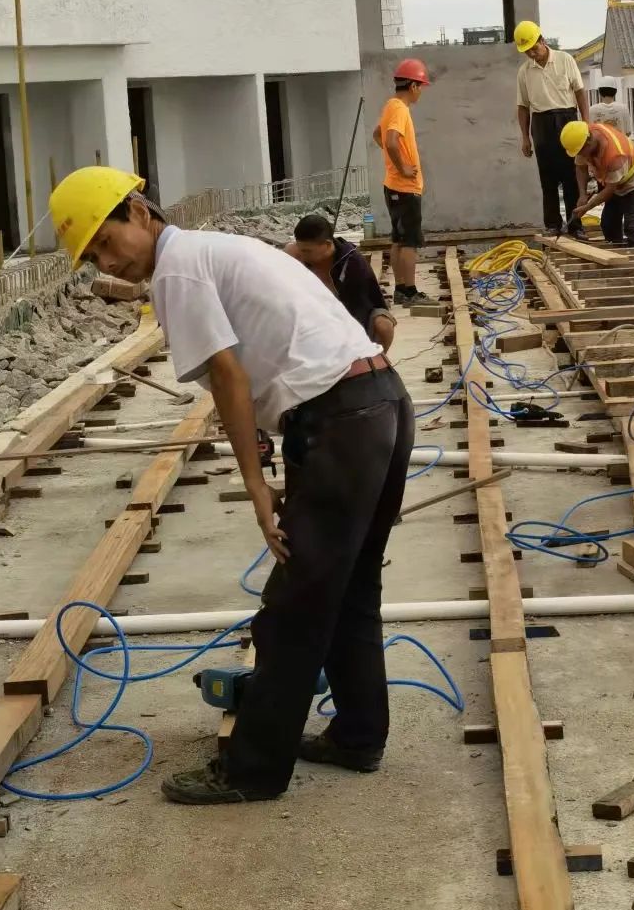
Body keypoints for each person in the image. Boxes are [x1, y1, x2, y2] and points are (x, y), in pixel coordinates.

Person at [49, 166, 414, 804]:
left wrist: (256, 487)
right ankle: (358, 736)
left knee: (293, 609)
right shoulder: (214, 250)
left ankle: (251, 772)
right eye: (94, 258)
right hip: (380, 402)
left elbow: (229, 377)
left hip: (342, 419)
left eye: (107, 242)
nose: (109, 262)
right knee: (351, 588)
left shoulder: (178, 267)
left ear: (139, 211)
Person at [514, 20, 589, 237]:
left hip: (567, 119)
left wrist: (585, 122)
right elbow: (522, 106)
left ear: (542, 41)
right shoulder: (524, 71)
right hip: (541, 123)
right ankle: (553, 224)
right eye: (527, 52)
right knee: (547, 178)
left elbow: (580, 93)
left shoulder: (565, 60)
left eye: (534, 48)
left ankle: (575, 224)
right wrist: (525, 137)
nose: (532, 54)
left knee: (571, 175)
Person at [373, 58, 437, 306]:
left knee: (398, 239)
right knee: (409, 241)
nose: (421, 91)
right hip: (405, 186)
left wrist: (392, 163)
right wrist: (403, 167)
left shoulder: (390, 106)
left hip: (392, 185)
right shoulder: (400, 109)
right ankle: (409, 291)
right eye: (420, 86)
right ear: (413, 86)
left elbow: (378, 135)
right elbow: (389, 140)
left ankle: (400, 289)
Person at [285, 213, 396, 353]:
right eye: (300, 248)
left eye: (307, 251)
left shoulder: (353, 264)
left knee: (383, 325)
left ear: (327, 245)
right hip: (313, 318)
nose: (302, 255)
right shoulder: (295, 254)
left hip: (352, 316)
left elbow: (359, 311)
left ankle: (377, 364)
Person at [563, 120, 634, 247]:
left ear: (588, 142)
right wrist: (582, 195)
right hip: (615, 183)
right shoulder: (584, 140)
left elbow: (609, 190)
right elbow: (580, 167)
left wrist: (587, 207)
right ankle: (616, 253)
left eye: (581, 151)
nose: (580, 155)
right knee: (608, 223)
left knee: (631, 225)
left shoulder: (614, 155)